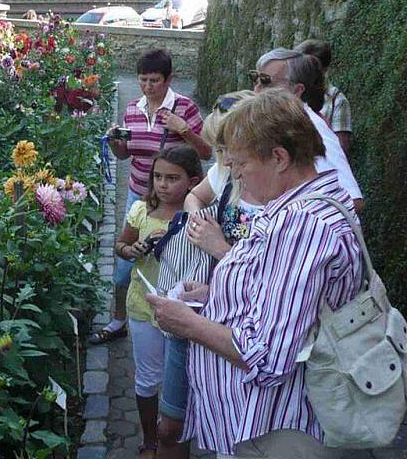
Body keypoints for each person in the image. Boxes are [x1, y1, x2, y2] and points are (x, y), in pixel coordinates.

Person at [148, 89, 363, 458]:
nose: (235, 177)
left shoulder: (303, 226)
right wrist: (214, 293)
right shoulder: (306, 204)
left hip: (273, 428)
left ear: (279, 157)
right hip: (261, 424)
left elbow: (266, 358)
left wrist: (187, 323)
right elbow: (284, 295)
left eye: (241, 165)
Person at [154, 90, 262, 459]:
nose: (225, 159)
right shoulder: (228, 171)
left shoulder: (284, 204)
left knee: (229, 433)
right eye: (220, 149)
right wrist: (199, 218)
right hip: (206, 304)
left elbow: (269, 281)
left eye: (228, 147)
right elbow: (195, 197)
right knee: (170, 425)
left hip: (233, 330)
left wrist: (220, 249)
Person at [89, 49, 210, 345]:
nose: (147, 86)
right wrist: (116, 143)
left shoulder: (186, 108)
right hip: (140, 196)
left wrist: (184, 130)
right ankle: (119, 320)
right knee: (124, 268)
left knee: (172, 263)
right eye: (142, 80)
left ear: (169, 79)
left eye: (154, 80)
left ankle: (172, 326)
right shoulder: (133, 109)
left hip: (178, 201)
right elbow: (126, 155)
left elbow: (207, 153)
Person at [116, 146, 202, 459]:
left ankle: (178, 436)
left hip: (182, 311)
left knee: (181, 379)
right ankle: (150, 439)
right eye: (158, 177)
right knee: (147, 376)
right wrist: (131, 250)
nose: (163, 184)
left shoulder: (198, 216)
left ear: (192, 182)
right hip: (143, 304)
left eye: (172, 178)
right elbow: (121, 245)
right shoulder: (141, 210)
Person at [248, 48, 363, 212]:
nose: (257, 89)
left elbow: (352, 199)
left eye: (266, 81)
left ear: (296, 90)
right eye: (255, 78)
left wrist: (299, 224)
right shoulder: (279, 123)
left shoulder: (312, 128)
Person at [295, 39, 352, 155]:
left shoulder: (337, 100)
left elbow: (340, 150)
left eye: (310, 68)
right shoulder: (290, 94)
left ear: (324, 70)